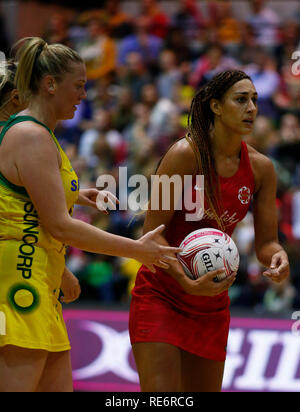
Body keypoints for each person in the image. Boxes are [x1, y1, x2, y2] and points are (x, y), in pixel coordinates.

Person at [0, 37, 181, 393]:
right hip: (17, 287)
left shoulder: (38, 134)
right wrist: (136, 249)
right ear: (50, 85)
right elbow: (58, 225)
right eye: (79, 85)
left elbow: (26, 200)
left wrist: (78, 197)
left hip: (41, 283)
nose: (85, 94)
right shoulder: (30, 136)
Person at [129, 70, 290, 392]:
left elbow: (267, 243)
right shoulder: (184, 154)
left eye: (255, 100)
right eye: (241, 100)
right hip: (163, 292)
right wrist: (184, 281)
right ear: (215, 106)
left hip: (211, 301)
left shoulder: (261, 169)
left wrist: (278, 257)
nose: (252, 108)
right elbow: (152, 235)